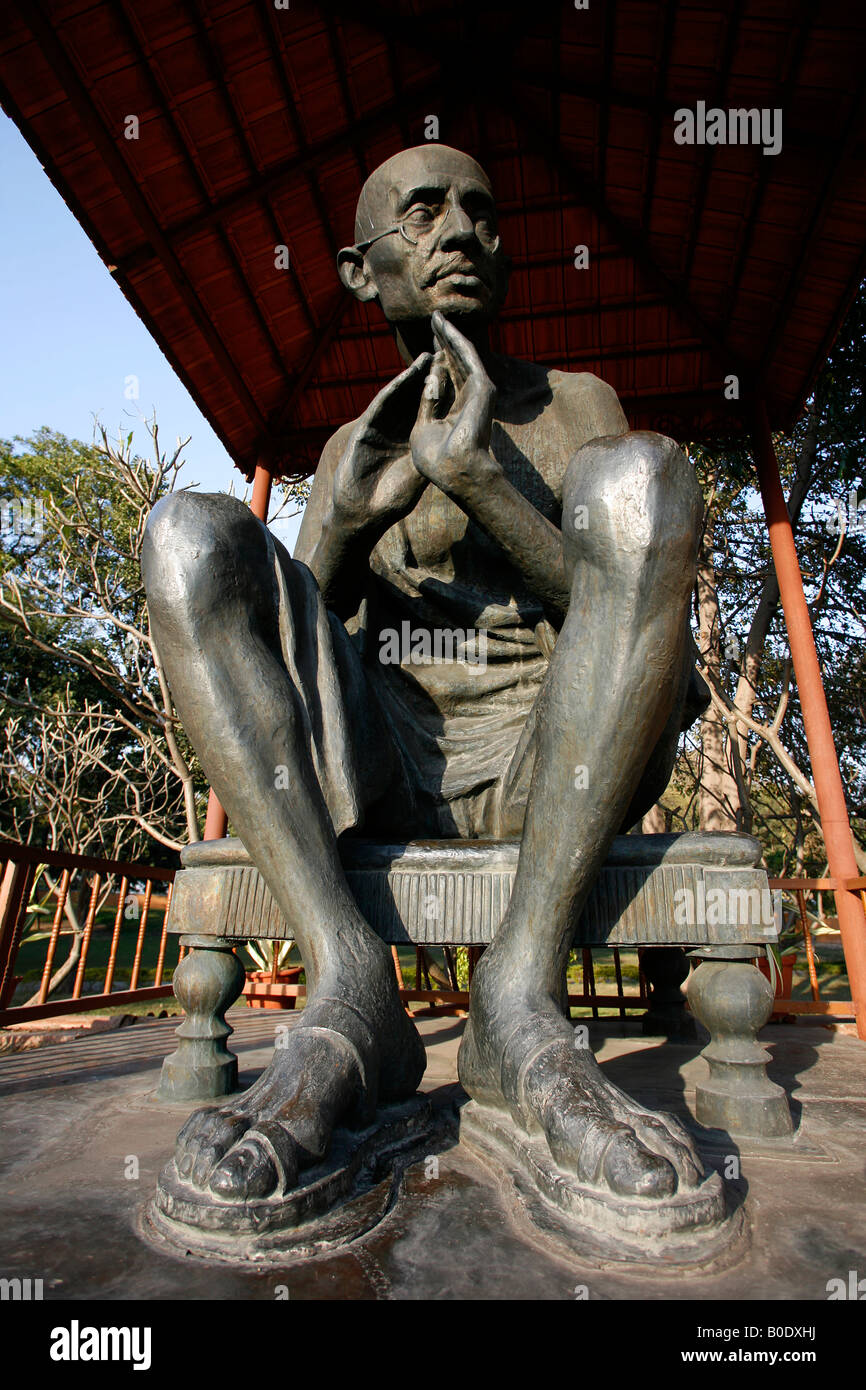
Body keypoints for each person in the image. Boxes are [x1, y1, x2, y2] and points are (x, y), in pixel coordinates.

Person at [143, 144, 708, 1206]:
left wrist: (481, 484)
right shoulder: (353, 443)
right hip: (386, 760)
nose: (459, 232)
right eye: (422, 214)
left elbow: (627, 611)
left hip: (553, 757)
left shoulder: (575, 402)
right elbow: (285, 650)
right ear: (365, 272)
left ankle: (519, 985)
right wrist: (344, 525)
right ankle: (347, 983)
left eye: (481, 214)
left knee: (641, 475)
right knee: (186, 535)